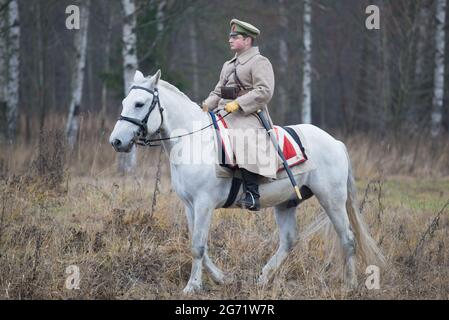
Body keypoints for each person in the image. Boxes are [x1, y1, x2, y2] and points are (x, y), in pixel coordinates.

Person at [202, 19, 277, 211]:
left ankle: (252, 193)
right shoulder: (228, 65)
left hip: (249, 114)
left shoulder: (259, 62)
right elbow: (218, 91)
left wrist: (239, 104)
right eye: (230, 37)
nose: (230, 40)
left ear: (247, 40)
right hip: (222, 111)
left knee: (244, 137)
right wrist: (205, 106)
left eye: (235, 37)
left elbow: (264, 91)